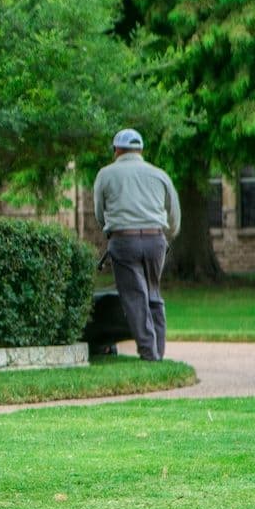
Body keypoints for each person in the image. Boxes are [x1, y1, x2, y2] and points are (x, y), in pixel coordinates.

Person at [93, 128, 180, 361]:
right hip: (155, 239)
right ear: (140, 150)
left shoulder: (106, 174)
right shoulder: (159, 174)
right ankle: (158, 351)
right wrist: (166, 235)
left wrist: (111, 229)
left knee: (134, 297)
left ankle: (148, 352)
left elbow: (100, 212)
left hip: (124, 240)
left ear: (116, 150)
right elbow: (174, 213)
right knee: (153, 293)